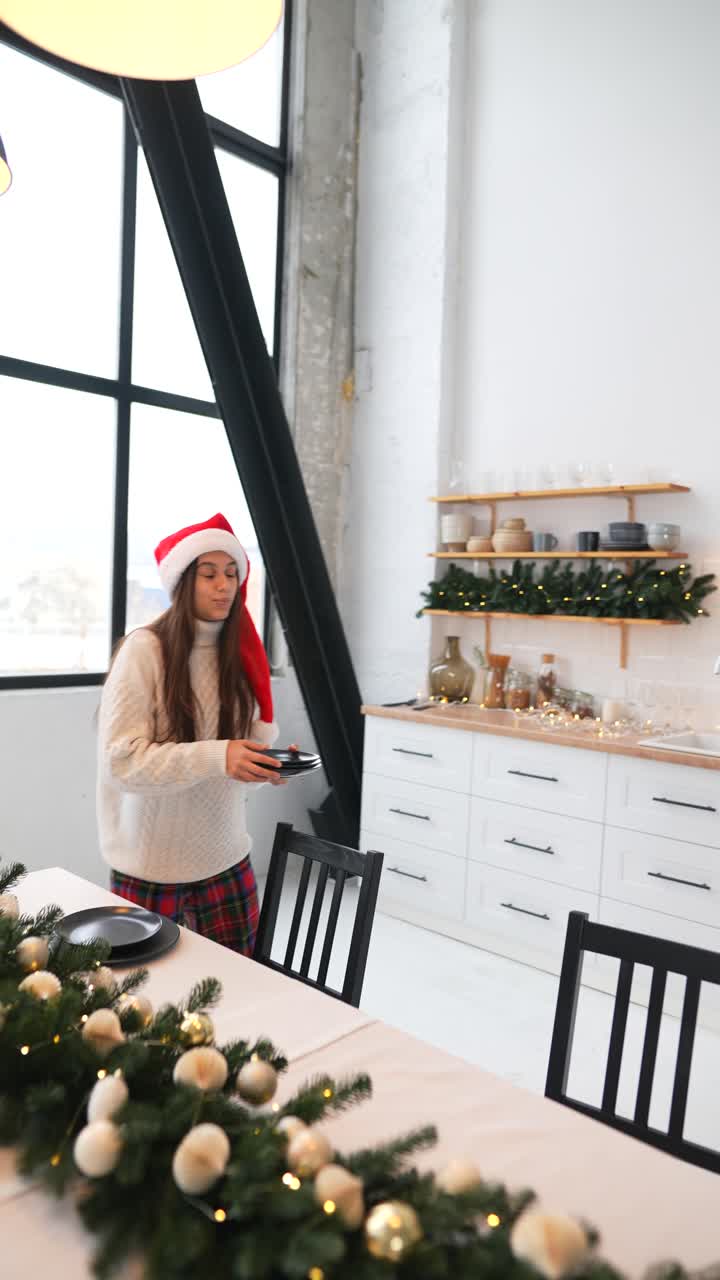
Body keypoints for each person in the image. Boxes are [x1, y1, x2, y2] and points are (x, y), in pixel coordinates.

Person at [96, 512, 289, 956]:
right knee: (143, 994)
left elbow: (232, 768)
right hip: (150, 871)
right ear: (184, 581)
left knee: (241, 992)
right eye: (209, 574)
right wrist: (219, 755)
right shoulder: (144, 650)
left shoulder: (238, 658)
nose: (224, 586)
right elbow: (122, 764)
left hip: (227, 863)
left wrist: (262, 767)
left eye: (231, 574)